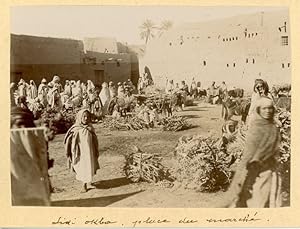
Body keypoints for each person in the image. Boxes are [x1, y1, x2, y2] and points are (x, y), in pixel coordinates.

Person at [224, 97, 281, 208]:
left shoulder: (273, 128)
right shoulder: (255, 128)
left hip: (270, 171)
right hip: (255, 171)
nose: (268, 111)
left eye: (270, 108)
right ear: (258, 110)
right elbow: (249, 153)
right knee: (256, 200)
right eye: (264, 108)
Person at [10, 107, 52, 206]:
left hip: (36, 192)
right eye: (20, 124)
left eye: (27, 125)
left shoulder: (35, 141)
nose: (24, 129)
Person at [64, 109, 100, 193]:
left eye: (87, 116)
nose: (86, 118)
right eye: (84, 116)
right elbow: (70, 141)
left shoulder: (90, 127)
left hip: (89, 151)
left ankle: (89, 182)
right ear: (80, 117)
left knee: (89, 166)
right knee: (82, 167)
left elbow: (94, 139)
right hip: (80, 153)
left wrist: (95, 149)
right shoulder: (76, 129)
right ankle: (84, 185)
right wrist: (72, 151)